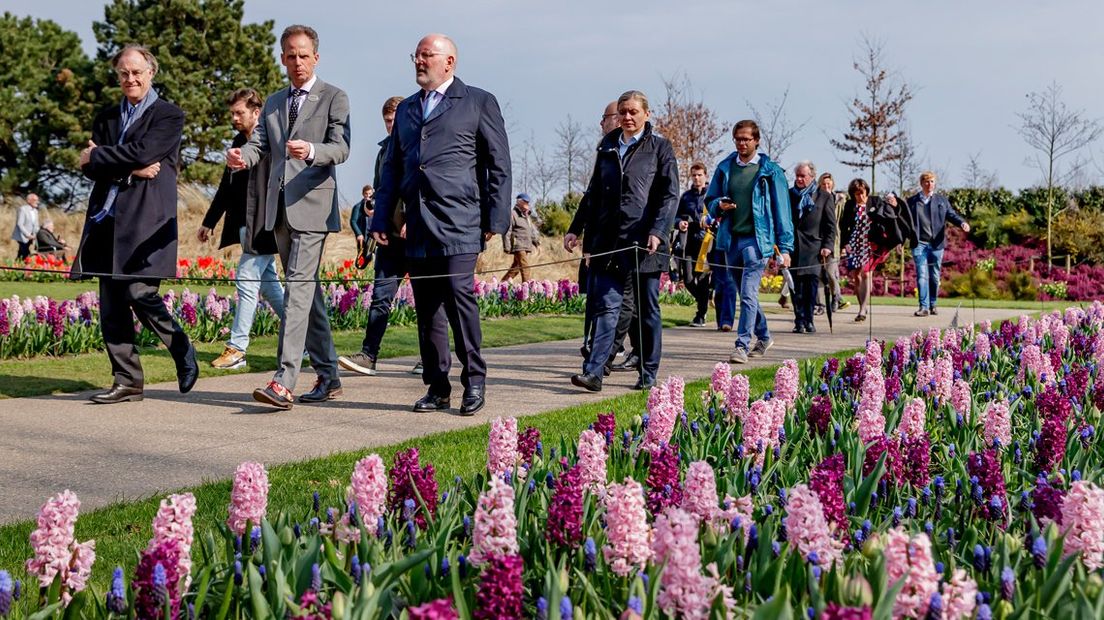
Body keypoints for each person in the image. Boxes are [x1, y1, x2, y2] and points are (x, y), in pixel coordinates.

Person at [371, 33, 512, 416]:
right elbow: (393, 168)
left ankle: (475, 380)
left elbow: (498, 164)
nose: (419, 61)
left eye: (427, 55)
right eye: (416, 55)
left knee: (458, 298)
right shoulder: (407, 110)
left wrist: (496, 219)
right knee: (427, 308)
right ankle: (437, 387)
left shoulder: (479, 101)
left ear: (449, 62)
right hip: (417, 225)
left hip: (462, 222)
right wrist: (381, 218)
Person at [227, 24, 350, 410]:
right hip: (277, 211)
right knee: (306, 295)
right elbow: (259, 144)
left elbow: (341, 147)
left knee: (297, 290)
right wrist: (240, 158)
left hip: (312, 208)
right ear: (282, 58)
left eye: (303, 55)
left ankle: (283, 382)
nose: (297, 62)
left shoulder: (335, 97)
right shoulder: (277, 101)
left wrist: (312, 151)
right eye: (290, 55)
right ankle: (329, 376)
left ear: (315, 57)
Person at [73, 44, 198, 404]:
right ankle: (127, 380)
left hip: (146, 222)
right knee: (111, 304)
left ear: (150, 73)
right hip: (106, 219)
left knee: (139, 292)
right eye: (124, 73)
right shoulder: (107, 117)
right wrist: (128, 167)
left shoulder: (168, 115)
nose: (131, 78)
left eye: (137, 72)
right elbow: (90, 168)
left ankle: (181, 348)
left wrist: (102, 155)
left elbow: (143, 152)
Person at [565, 89, 679, 392]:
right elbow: (593, 193)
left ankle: (648, 371)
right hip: (608, 242)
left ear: (646, 114)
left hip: (644, 244)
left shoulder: (660, 148)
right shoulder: (607, 145)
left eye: (633, 112)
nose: (627, 117)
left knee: (645, 310)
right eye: (623, 112)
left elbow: (669, 196)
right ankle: (594, 372)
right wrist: (576, 228)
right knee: (607, 307)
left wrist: (658, 231)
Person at [338, 95, 426, 378]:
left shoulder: (422, 145)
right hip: (388, 238)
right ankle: (369, 355)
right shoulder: (383, 151)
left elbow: (425, 189)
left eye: (394, 120)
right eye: (387, 121)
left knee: (426, 301)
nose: (391, 126)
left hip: (418, 237)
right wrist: (373, 210)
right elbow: (382, 188)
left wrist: (413, 219)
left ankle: (430, 357)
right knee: (380, 298)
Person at [200, 88, 285, 371]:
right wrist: (209, 222)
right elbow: (226, 187)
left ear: (256, 112)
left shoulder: (271, 142)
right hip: (243, 225)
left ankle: (237, 349)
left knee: (247, 281)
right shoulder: (238, 141)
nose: (234, 118)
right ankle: (307, 338)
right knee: (271, 288)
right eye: (232, 113)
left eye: (240, 113)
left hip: (264, 225)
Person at [705, 120, 793, 364]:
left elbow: (782, 211)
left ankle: (741, 345)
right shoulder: (725, 167)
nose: (742, 143)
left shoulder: (770, 171)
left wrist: (785, 248)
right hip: (730, 238)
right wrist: (718, 205)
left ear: (756, 141)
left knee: (747, 292)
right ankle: (764, 336)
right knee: (743, 294)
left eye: (746, 139)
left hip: (758, 240)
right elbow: (710, 199)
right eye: (738, 139)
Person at [575, 100, 622, 362]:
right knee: (600, 300)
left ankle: (607, 353)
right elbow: (591, 196)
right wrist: (576, 230)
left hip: (623, 244)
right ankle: (598, 352)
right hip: (598, 242)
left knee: (622, 305)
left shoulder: (636, 152)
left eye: (604, 117)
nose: (601, 123)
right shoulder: (605, 150)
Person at [839, 178, 912, 321]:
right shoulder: (849, 205)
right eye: (856, 194)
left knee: (866, 272)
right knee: (857, 275)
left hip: (871, 243)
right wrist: (844, 244)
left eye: (862, 192)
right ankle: (862, 305)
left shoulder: (875, 201)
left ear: (866, 190)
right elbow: (844, 227)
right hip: (854, 244)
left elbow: (890, 216)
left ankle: (862, 310)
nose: (860, 196)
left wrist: (895, 205)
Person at [905, 171, 969, 317]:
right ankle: (924, 307)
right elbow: (905, 222)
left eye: (932, 181)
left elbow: (951, 215)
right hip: (919, 243)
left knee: (934, 276)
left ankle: (933, 304)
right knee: (921, 274)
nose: (930, 184)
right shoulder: (912, 202)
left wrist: (962, 222)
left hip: (936, 244)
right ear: (921, 183)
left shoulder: (941, 201)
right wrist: (900, 240)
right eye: (927, 182)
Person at [788, 161, 837, 333]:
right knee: (795, 287)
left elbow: (831, 226)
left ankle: (809, 320)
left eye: (803, 176)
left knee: (810, 287)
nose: (800, 179)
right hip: (794, 248)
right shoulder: (789, 195)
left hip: (814, 248)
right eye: (798, 176)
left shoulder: (824, 196)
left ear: (812, 176)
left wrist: (828, 246)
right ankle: (798, 320)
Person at [673, 162, 711, 326]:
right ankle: (704, 301)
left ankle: (700, 315)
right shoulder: (686, 196)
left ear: (705, 176)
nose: (696, 178)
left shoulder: (712, 195)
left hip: (706, 243)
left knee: (702, 281)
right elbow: (675, 217)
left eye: (699, 175)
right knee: (688, 280)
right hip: (688, 242)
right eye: (694, 175)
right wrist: (680, 223)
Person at [815, 172, 848, 312]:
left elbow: (842, 224)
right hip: (816, 240)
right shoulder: (815, 199)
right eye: (823, 184)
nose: (826, 186)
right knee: (818, 274)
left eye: (828, 184)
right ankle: (821, 304)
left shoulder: (839, 201)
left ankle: (836, 297)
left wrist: (843, 245)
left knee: (830, 272)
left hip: (833, 242)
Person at [502, 193, 541, 282]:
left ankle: (500, 285)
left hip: (525, 245)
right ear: (519, 202)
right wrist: (507, 246)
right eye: (525, 202)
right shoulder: (513, 214)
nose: (527, 204)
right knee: (526, 268)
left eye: (528, 202)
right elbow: (507, 231)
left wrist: (536, 243)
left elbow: (530, 231)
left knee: (515, 270)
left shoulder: (526, 216)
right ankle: (526, 289)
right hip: (518, 246)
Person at [350, 184, 374, 266]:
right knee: (362, 261)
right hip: (364, 236)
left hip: (374, 236)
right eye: (366, 194)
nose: (368, 196)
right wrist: (359, 234)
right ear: (363, 194)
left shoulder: (376, 205)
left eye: (370, 194)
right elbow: (353, 221)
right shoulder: (357, 207)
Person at [12, 194, 40, 260]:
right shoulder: (23, 209)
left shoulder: (36, 211)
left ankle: (16, 266)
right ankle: (25, 267)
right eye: (35, 200)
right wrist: (27, 234)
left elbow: (36, 225)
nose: (37, 202)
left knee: (21, 253)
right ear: (29, 201)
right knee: (26, 252)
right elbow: (20, 224)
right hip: (22, 236)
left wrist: (37, 234)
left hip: (31, 237)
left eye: (37, 200)